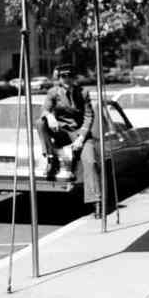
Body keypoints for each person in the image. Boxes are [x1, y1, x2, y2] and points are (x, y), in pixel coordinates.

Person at [36, 63, 102, 217]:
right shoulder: (53, 92)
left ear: (74, 77)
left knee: (91, 162)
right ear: (59, 78)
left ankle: (96, 202)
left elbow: (89, 116)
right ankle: (51, 158)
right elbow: (45, 109)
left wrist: (81, 138)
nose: (66, 79)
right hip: (61, 132)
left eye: (69, 76)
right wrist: (50, 116)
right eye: (63, 76)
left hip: (80, 134)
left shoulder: (83, 93)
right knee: (40, 122)